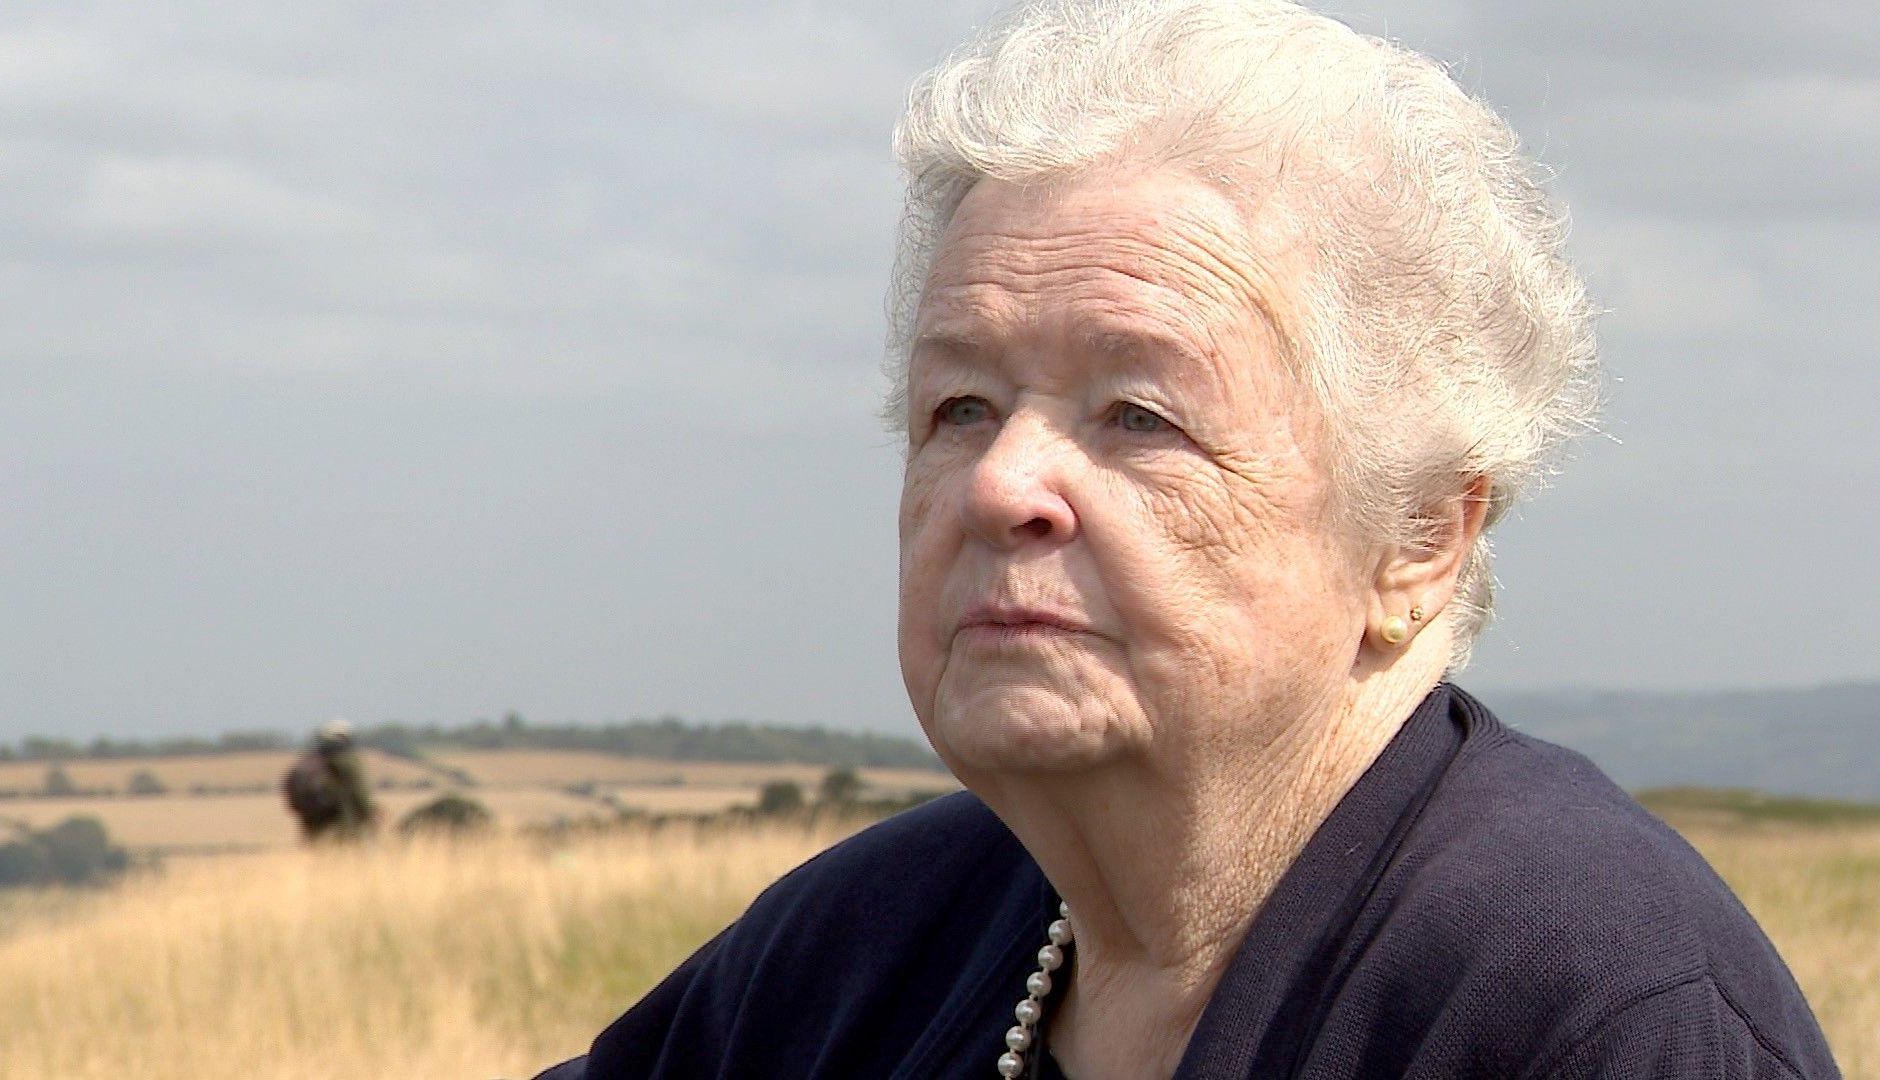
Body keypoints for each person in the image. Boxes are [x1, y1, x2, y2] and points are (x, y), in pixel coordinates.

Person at [537, 1, 1839, 1075]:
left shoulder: (1592, 1008)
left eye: (1138, 416)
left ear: (1418, 542)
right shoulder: (868, 945)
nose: (1001, 485)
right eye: (960, 405)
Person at [283, 719, 378, 842]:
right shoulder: (347, 760)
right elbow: (359, 792)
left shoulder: (308, 763)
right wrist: (369, 813)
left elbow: (293, 800)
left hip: (312, 822)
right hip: (342, 821)